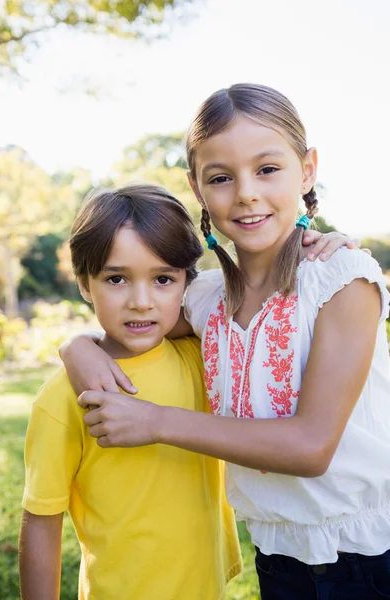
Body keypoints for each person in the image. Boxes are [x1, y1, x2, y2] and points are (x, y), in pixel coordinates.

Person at [62, 84, 390, 600]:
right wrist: (76, 345)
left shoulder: (341, 280)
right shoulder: (206, 300)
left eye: (267, 169)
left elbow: (311, 448)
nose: (246, 193)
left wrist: (155, 422)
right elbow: (135, 324)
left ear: (306, 170)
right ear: (197, 188)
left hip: (367, 558)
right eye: (220, 177)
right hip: (278, 553)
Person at [19, 183, 243, 600]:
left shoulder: (202, 354)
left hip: (204, 585)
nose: (141, 302)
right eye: (117, 279)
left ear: (185, 285)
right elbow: (42, 519)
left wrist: (321, 242)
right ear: (86, 285)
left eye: (163, 279)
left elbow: (268, 288)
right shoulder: (64, 397)